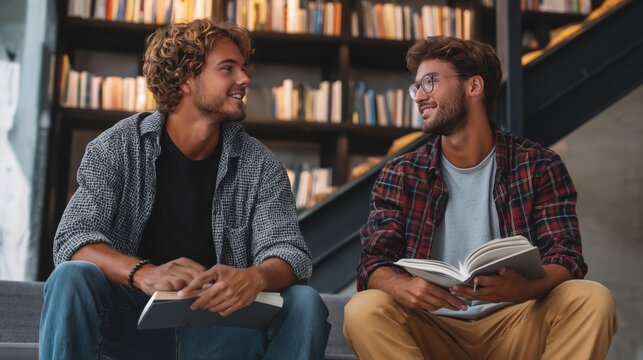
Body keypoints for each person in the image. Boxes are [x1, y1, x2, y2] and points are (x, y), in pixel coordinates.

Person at [39, 19, 329, 360]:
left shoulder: (260, 164)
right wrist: (143, 273)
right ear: (185, 79)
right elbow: (73, 239)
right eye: (227, 69)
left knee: (305, 302)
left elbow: (290, 252)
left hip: (221, 327)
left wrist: (255, 278)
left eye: (244, 68)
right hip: (130, 323)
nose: (245, 79)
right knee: (72, 277)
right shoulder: (116, 147)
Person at [343, 36, 617, 360]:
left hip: (517, 322)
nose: (419, 96)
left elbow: (566, 257)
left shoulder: (538, 165)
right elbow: (373, 263)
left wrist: (525, 289)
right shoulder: (402, 174)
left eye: (430, 82)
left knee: (592, 299)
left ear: (474, 87)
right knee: (363, 309)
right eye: (415, 87)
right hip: (433, 328)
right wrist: (401, 286)